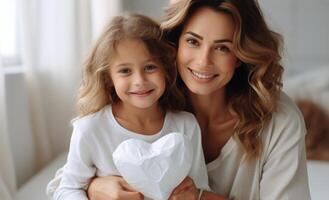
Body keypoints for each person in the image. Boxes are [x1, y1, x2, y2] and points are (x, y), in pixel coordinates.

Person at [48, 0, 311, 199]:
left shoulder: (280, 120)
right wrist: (96, 187)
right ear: (174, 43)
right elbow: (65, 183)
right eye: (193, 42)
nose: (203, 62)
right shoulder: (148, 98)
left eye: (222, 47)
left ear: (242, 54)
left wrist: (199, 197)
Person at [46, 13, 210, 200]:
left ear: (165, 68)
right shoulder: (90, 129)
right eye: (125, 71)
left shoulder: (186, 125)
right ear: (108, 78)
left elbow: (200, 187)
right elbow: (66, 189)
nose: (140, 81)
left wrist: (193, 195)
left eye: (150, 67)